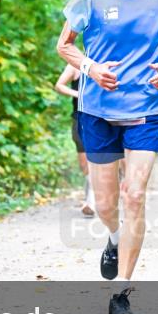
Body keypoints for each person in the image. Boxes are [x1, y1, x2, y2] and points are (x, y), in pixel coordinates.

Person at [56, 0, 158, 314]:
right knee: (107, 203)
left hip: (146, 107)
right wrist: (91, 68)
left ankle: (121, 294)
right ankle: (113, 238)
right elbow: (64, 46)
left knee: (135, 195)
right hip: (97, 109)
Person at [54, 64, 95, 216]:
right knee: (84, 163)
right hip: (79, 118)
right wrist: (79, 94)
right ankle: (94, 195)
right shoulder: (75, 65)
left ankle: (91, 200)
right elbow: (59, 85)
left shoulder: (107, 60)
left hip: (100, 118)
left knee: (94, 162)